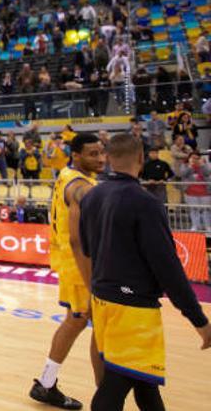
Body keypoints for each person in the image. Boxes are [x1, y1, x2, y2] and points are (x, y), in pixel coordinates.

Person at [79, 134, 211, 411]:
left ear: (109, 158)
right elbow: (168, 268)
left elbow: (87, 248)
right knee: (112, 391)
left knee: (144, 384)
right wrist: (199, 320)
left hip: (103, 301)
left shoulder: (92, 196)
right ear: (141, 158)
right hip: (132, 309)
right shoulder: (145, 202)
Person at [30, 133, 105, 409]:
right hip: (81, 265)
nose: (100, 158)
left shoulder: (68, 173)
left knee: (76, 322)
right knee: (100, 328)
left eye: (101, 152)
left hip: (72, 262)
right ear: (76, 155)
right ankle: (105, 398)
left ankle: (46, 383)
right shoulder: (79, 185)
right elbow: (77, 232)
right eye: (92, 154)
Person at [178, 151, 211, 232]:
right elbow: (182, 174)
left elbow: (208, 173)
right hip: (191, 192)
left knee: (206, 210)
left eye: (197, 158)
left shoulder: (204, 164)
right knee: (194, 209)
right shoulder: (185, 165)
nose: (195, 160)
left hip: (205, 192)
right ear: (189, 158)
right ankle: (195, 226)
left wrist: (202, 165)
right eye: (193, 158)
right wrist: (190, 166)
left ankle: (207, 226)